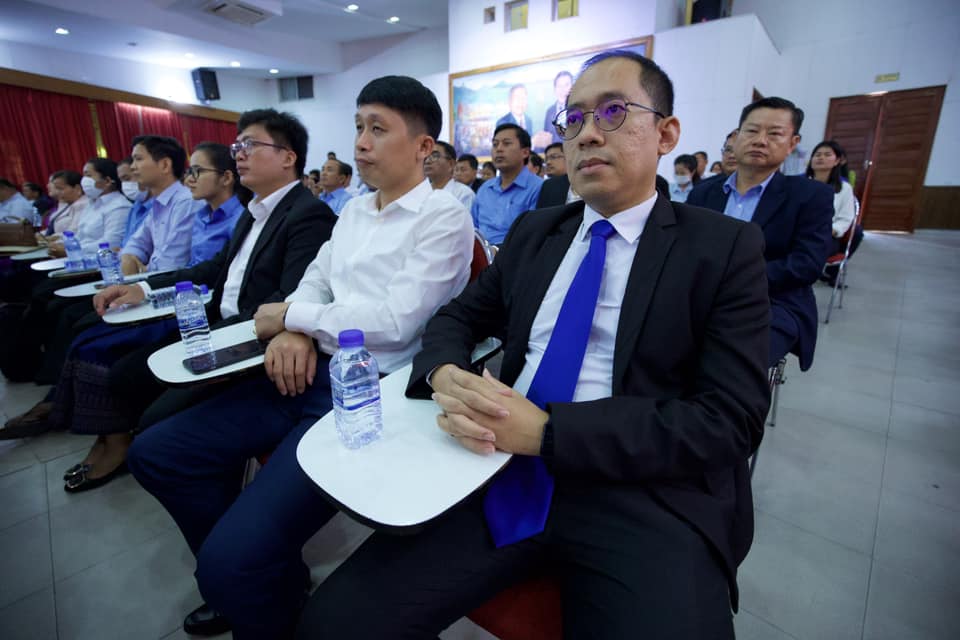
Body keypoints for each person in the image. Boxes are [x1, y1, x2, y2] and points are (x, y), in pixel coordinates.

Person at [298, 49, 770, 640]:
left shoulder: (722, 248)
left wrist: (549, 433)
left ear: (666, 134)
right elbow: (456, 317)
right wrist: (444, 372)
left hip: (644, 490)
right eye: (572, 119)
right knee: (334, 625)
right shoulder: (538, 233)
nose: (587, 134)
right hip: (499, 465)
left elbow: (729, 420)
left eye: (613, 112)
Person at [126, 75, 474, 640]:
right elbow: (315, 279)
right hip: (302, 369)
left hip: (367, 391)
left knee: (229, 563)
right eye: (358, 126)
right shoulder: (354, 211)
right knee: (157, 453)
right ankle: (263, 577)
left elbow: (394, 322)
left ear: (423, 146)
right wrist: (296, 326)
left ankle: (244, 577)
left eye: (378, 129)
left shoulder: (444, 216)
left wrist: (294, 318)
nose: (360, 142)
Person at [688, 97, 833, 370]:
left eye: (774, 133)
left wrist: (734, 281)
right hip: (700, 297)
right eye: (752, 131)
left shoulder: (810, 196)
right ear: (737, 136)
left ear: (792, 143)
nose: (760, 140)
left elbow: (807, 263)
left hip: (771, 300)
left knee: (728, 366)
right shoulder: (703, 193)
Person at [120, 135, 202, 274]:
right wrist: (128, 259)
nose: (132, 167)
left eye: (138, 159)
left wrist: (143, 269)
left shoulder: (186, 202)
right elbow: (134, 246)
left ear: (165, 165)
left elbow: (171, 265)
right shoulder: (158, 204)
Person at [471, 123, 542, 245]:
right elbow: (473, 229)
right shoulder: (485, 189)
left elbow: (534, 236)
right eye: (495, 144)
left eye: (506, 143)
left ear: (525, 152)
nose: (498, 149)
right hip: (481, 253)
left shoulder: (538, 188)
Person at [807, 140, 861, 284]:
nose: (821, 158)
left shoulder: (844, 188)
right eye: (817, 154)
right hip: (797, 232)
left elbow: (845, 218)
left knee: (809, 249)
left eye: (827, 155)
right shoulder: (798, 183)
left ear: (837, 161)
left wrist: (831, 230)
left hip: (825, 235)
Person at [76, 157, 133, 250]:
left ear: (107, 181)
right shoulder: (91, 203)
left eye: (89, 176)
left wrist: (75, 249)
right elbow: (80, 236)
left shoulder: (119, 206)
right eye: (84, 176)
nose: (84, 181)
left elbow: (112, 243)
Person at [424, 140, 475, 210]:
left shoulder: (464, 194)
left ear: (451, 164)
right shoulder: (421, 191)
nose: (427, 161)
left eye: (435, 156)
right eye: (426, 156)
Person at [536, 142, 579, 208]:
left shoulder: (578, 182)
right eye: (546, 159)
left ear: (568, 157)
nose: (548, 162)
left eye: (553, 157)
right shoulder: (547, 185)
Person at [539, 70, 573, 147]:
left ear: (572, 87)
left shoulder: (578, 109)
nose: (562, 89)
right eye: (559, 86)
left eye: (566, 85)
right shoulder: (549, 111)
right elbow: (546, 138)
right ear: (554, 89)